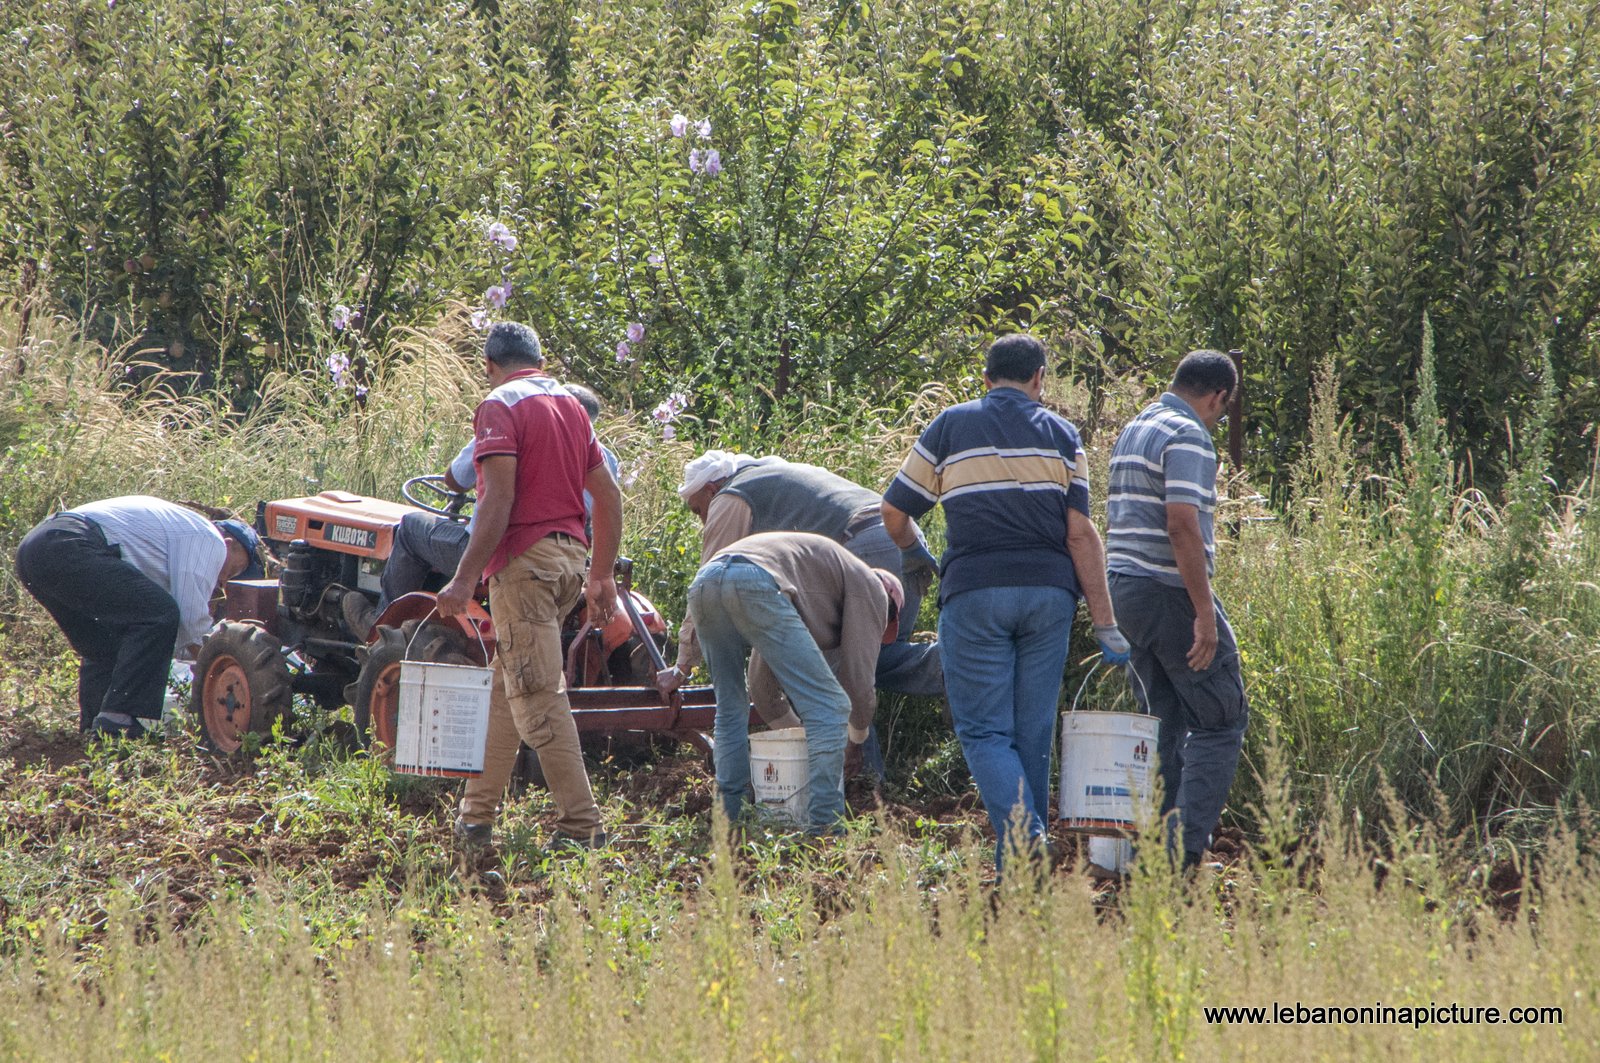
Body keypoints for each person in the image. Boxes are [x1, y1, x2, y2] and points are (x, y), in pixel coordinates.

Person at [881, 334, 1129, 867]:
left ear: (985, 377)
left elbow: (894, 513)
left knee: (983, 731)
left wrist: (914, 551)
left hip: (976, 593)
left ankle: (1023, 839)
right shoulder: (1064, 436)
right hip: (1049, 596)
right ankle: (1018, 869)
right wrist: (1106, 624)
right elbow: (1081, 535)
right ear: (1040, 378)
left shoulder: (951, 425)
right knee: (1033, 730)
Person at [434, 322, 623, 852]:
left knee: (538, 696)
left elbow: (497, 501)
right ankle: (475, 818)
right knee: (505, 691)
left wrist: (464, 578)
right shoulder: (568, 404)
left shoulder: (499, 404)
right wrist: (601, 573)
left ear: (490, 366)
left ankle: (581, 828)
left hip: (524, 566)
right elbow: (608, 498)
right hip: (567, 561)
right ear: (538, 359)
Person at [655, 452, 942, 771]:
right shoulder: (773, 474)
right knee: (873, 658)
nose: (703, 520)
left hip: (866, 547)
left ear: (711, 488)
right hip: (904, 539)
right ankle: (959, 664)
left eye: (699, 510)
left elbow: (707, 581)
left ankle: (858, 783)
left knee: (840, 674)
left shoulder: (730, 496)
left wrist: (682, 666)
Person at [1105, 349, 1248, 871]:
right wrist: (1203, 612)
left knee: (1163, 719)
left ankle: (1153, 848)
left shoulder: (1136, 427)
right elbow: (1182, 524)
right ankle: (1182, 851)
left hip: (1125, 590)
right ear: (1217, 397)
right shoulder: (1189, 435)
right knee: (1220, 717)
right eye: (1222, 409)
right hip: (1168, 591)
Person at [343, 383, 619, 638]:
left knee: (411, 527)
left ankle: (380, 627)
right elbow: (605, 504)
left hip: (505, 549)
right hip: (569, 558)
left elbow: (457, 478)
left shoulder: (511, 423)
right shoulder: (607, 458)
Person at [687, 531, 901, 835]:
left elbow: (760, 689)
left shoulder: (814, 579)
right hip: (755, 581)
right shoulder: (873, 588)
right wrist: (855, 741)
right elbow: (857, 682)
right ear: (890, 607)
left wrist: (805, 742)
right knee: (831, 706)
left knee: (730, 707)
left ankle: (728, 820)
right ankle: (826, 829)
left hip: (706, 582)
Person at [15, 495, 262, 738]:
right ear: (229, 543)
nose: (226, 581)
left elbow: (167, 639)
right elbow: (188, 621)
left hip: (35, 550)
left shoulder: (172, 538)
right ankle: (121, 720)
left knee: (109, 641)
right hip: (68, 543)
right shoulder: (210, 539)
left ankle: (96, 724)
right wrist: (226, 664)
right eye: (237, 569)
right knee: (161, 615)